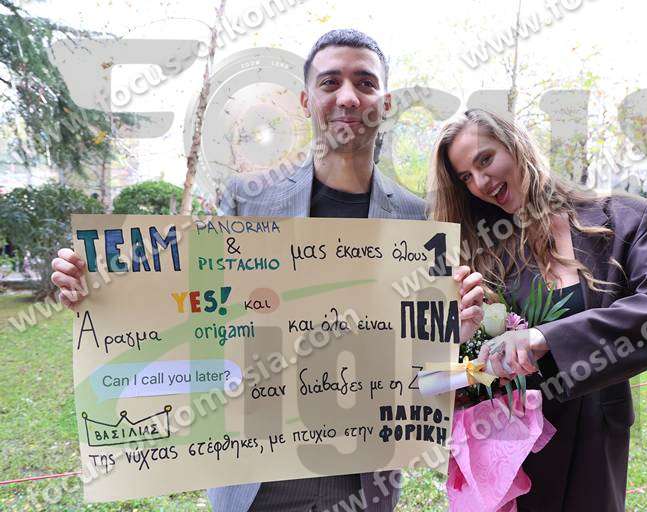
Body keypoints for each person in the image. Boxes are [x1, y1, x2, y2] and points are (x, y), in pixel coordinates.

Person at [50, 29, 485, 512]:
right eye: (330, 82)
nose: (347, 97)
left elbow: (427, 370)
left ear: (384, 103)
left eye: (365, 82)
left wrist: (455, 333)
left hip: (363, 482)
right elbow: (193, 308)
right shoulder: (248, 199)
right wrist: (101, 289)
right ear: (306, 100)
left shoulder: (420, 221)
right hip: (253, 479)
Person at [428, 109, 647, 512]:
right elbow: (441, 378)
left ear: (516, 145)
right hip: (514, 454)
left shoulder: (621, 220)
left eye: (485, 159)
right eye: (466, 177)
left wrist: (544, 337)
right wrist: (461, 338)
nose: (481, 182)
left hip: (595, 446)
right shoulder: (481, 251)